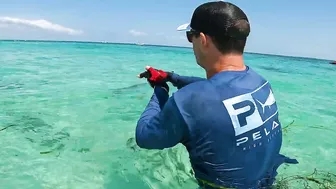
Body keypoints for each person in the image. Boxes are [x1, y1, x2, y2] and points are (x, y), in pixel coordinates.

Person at [135, 1, 298, 189]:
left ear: (203, 40)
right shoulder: (260, 82)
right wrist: (173, 77)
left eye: (190, 36)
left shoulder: (187, 102)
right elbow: (217, 90)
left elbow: (144, 137)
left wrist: (161, 89)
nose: (191, 43)